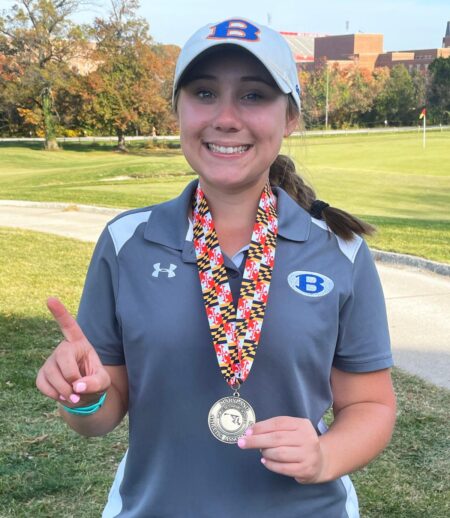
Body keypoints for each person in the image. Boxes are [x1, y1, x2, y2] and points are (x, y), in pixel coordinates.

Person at [36, 17, 396, 517]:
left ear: (289, 117)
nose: (226, 117)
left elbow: (371, 405)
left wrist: (324, 454)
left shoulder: (340, 251)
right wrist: (84, 398)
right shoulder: (127, 243)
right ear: (178, 111)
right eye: (204, 93)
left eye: (253, 96)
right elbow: (103, 412)